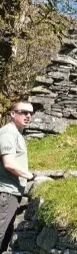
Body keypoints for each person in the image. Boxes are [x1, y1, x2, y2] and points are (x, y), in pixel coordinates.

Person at [0, 102, 35, 252]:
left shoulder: (16, 133)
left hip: (11, 193)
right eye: (23, 112)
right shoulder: (8, 133)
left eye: (30, 113)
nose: (28, 116)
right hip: (6, 193)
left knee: (4, 238)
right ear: (12, 114)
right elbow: (8, 163)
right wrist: (30, 176)